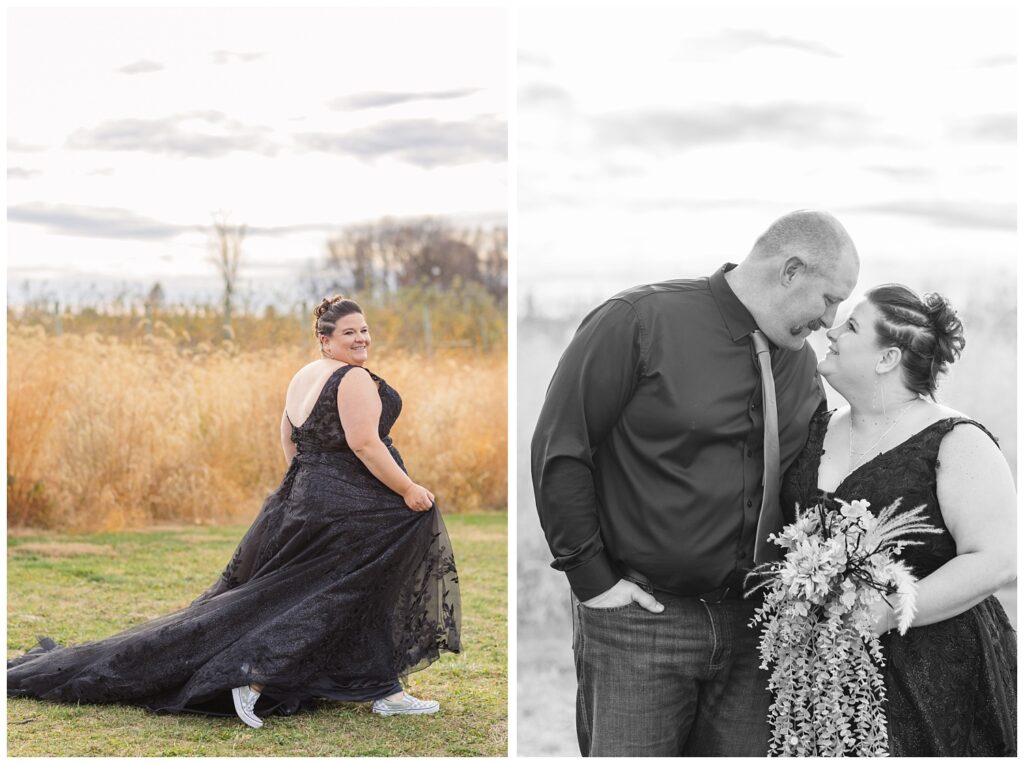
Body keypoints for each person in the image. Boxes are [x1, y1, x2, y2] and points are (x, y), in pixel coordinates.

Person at [8, 296, 461, 728]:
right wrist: (408, 488)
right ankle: (254, 675)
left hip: (305, 498)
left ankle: (381, 688)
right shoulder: (353, 378)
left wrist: (313, 484)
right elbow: (365, 444)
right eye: (349, 333)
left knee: (312, 593)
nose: (361, 339)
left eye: (364, 330)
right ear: (325, 339)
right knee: (337, 592)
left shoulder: (304, 376)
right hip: (348, 507)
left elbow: (289, 438)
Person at [531, 210, 860, 756]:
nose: (830, 320)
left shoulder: (801, 365)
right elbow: (562, 447)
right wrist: (594, 582)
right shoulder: (638, 320)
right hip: (642, 622)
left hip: (759, 631)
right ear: (790, 270)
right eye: (828, 299)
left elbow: (805, 479)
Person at [780, 284, 1016, 755]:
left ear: (887, 358)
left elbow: (998, 560)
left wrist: (887, 612)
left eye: (850, 326)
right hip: (821, 676)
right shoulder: (817, 428)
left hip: (937, 670)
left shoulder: (956, 440)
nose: (831, 330)